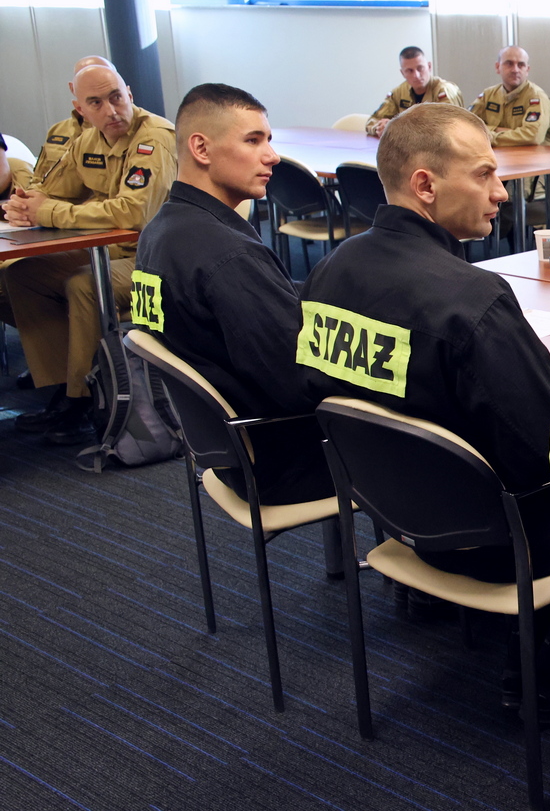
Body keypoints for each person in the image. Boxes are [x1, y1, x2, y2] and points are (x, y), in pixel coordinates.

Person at [298, 103, 550, 697]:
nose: (501, 192)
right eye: (484, 174)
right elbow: (542, 452)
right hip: (495, 543)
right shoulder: (473, 302)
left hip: (392, 516)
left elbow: (320, 395)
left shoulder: (328, 273)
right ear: (425, 185)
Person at [132, 83, 333, 510]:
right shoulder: (227, 256)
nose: (272, 156)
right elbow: (300, 382)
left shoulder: (161, 230)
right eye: (253, 140)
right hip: (288, 458)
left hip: (224, 449)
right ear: (201, 148)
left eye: (269, 140)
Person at [3, 64, 176, 443]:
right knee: (22, 275)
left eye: (116, 97)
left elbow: (134, 214)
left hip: (159, 259)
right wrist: (25, 204)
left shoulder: (154, 138)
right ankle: (63, 386)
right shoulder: (87, 142)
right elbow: (50, 189)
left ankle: (84, 403)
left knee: (85, 286)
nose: (111, 110)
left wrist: (47, 211)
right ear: (80, 109)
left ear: (129, 94)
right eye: (96, 103)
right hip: (111, 250)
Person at [25, 55, 114, 196]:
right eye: (87, 80)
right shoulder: (58, 131)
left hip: (94, 208)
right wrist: (26, 201)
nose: (96, 86)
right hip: (52, 205)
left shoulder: (118, 131)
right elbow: (39, 179)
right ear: (73, 88)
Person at [365, 46, 464, 137]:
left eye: (420, 68)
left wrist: (398, 129)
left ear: (429, 66)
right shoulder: (398, 92)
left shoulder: (444, 90)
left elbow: (448, 128)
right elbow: (372, 121)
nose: (416, 75)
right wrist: (381, 127)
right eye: (410, 71)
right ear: (403, 73)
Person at [471, 45, 550, 147]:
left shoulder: (536, 97)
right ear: (498, 67)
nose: (515, 70)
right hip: (498, 154)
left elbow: (532, 137)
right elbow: (466, 125)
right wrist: (497, 129)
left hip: (535, 154)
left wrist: (488, 136)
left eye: (521, 65)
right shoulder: (488, 95)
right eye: (509, 64)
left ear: (527, 70)